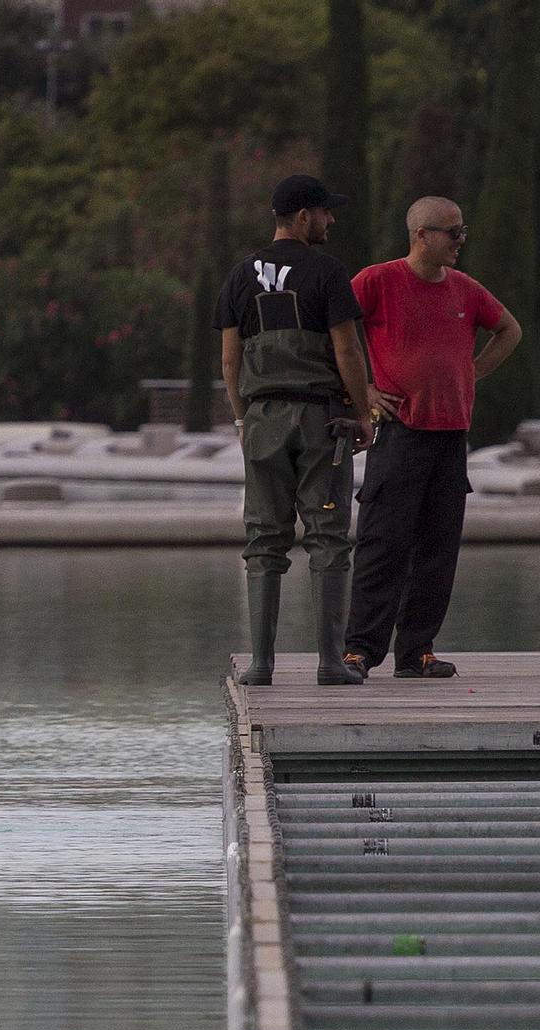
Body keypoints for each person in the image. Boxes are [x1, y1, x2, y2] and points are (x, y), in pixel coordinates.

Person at [340, 195, 522, 681]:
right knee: (382, 544)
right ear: (421, 235)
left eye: (463, 231)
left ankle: (417, 651)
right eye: (452, 232)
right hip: (399, 433)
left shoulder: (465, 289)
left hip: (450, 436)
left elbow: (509, 330)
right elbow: (332, 332)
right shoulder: (377, 280)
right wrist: (365, 392)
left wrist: (472, 374)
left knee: (438, 549)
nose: (461, 241)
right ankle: (359, 650)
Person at [215, 173, 375, 687]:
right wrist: (363, 411)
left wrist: (243, 418)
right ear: (303, 217)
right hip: (319, 421)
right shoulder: (327, 271)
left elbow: (229, 359)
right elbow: (348, 349)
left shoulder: (239, 275)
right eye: (326, 212)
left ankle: (262, 665)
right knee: (328, 538)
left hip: (262, 420)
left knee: (264, 539)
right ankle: (330, 663)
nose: (331, 220)